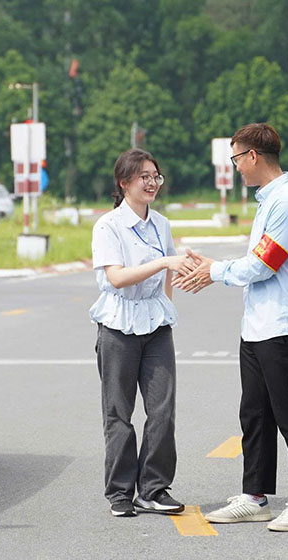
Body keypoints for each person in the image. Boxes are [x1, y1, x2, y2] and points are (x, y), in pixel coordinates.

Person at [175, 123, 288, 532]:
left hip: (283, 326)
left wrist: (214, 271)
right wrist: (214, 268)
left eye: (237, 158)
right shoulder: (268, 201)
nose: (236, 167)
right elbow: (258, 261)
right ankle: (255, 496)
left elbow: (264, 264)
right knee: (255, 415)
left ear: (253, 156)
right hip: (258, 327)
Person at [90, 148, 188, 517]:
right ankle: (119, 493)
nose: (151, 182)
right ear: (124, 182)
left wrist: (166, 303)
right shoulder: (108, 226)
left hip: (156, 325)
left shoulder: (161, 224)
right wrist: (161, 261)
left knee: (162, 409)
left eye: (155, 176)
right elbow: (115, 277)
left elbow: (170, 274)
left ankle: (154, 488)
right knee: (118, 412)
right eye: (143, 176)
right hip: (118, 325)